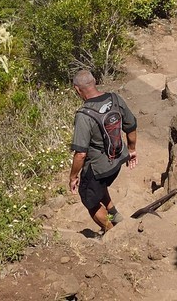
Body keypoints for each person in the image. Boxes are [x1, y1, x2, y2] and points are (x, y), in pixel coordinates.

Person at [68, 69, 137, 236]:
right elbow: (131, 126)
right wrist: (132, 149)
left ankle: (113, 234)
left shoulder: (84, 115)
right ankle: (116, 217)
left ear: (77, 89)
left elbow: (81, 154)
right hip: (118, 160)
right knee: (99, 188)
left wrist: (73, 176)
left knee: (90, 200)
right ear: (95, 81)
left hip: (98, 167)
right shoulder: (115, 98)